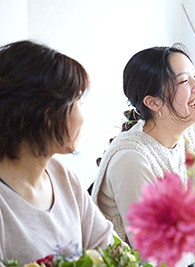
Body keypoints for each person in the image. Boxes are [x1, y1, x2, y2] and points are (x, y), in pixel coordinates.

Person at [0, 40, 115, 265]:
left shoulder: (61, 176)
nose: (83, 117)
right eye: (78, 102)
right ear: (42, 113)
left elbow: (112, 250)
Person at [91, 43, 195, 245]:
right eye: (184, 81)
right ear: (153, 103)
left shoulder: (189, 137)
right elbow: (151, 251)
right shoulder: (132, 159)